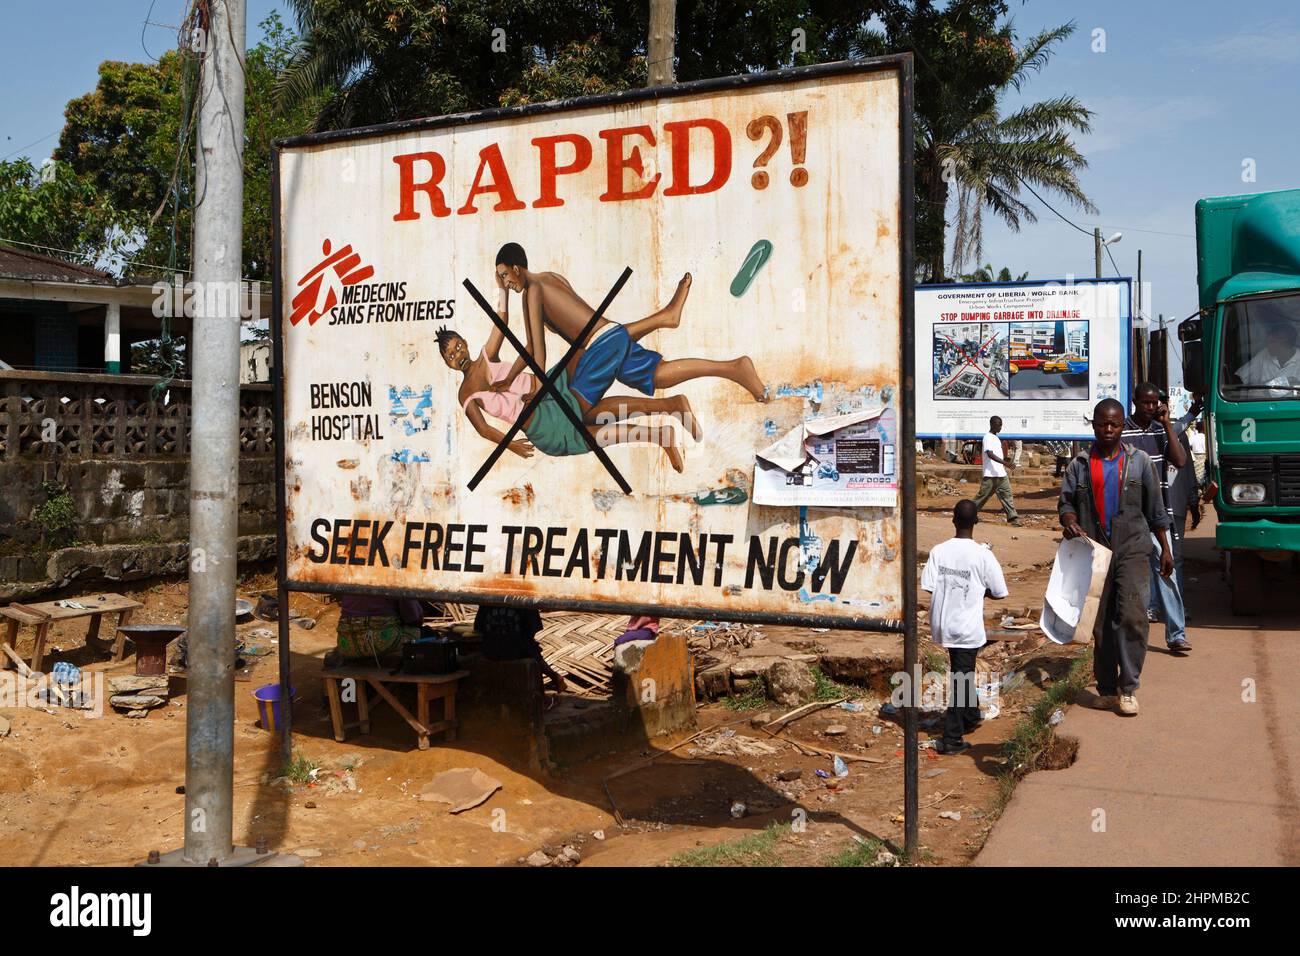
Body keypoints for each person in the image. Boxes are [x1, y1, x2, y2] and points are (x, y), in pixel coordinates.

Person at [491, 242, 767, 410]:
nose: (505, 283)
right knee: (659, 376)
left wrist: (537, 390)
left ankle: (666, 320)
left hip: (600, 345)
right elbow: (533, 344)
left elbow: (537, 352)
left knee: (579, 410)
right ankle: (733, 368)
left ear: (517, 267)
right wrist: (510, 378)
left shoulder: (532, 292)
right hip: (609, 336)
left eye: (505, 275)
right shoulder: (551, 278)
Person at [1060, 399, 1175, 716]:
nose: (1108, 430)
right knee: (1100, 623)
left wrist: (1165, 548)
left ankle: (1129, 688)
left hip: (1134, 549)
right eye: (1102, 424)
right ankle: (1107, 689)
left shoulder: (1139, 462)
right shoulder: (1079, 465)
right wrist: (1069, 521)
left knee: (1133, 616)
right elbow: (1066, 503)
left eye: (1114, 424)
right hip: (1095, 552)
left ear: (1123, 425)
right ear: (1093, 424)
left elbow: (1156, 510)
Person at [921, 499, 1008, 755]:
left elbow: (929, 585)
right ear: (976, 522)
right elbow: (1000, 592)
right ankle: (952, 738)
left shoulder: (939, 551)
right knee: (961, 677)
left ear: (953, 521)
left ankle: (970, 716)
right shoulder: (983, 555)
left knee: (961, 671)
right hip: (966, 627)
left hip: (943, 623)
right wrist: (981, 592)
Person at [1122, 384, 1191, 653]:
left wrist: (1166, 425)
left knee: (1167, 571)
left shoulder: (1160, 430)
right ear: (1135, 402)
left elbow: (1181, 461)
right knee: (1129, 576)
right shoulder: (1123, 429)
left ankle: (1176, 634)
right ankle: (1129, 635)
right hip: (1127, 514)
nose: (1150, 408)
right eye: (1146, 403)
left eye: (1155, 403)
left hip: (1156, 514)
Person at [474, 603, 567, 694]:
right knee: (530, 648)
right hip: (515, 650)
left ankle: (554, 677)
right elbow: (532, 630)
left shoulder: (487, 600)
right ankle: (554, 677)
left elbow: (478, 628)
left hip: (495, 650)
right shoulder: (524, 601)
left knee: (526, 646)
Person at [334, 593, 425, 665]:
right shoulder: (396, 576)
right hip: (380, 644)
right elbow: (413, 617)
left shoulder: (350, 574)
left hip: (347, 644)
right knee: (421, 633)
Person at [973, 416, 1019, 525]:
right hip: (990, 475)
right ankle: (968, 511)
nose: (1000, 427)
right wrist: (1005, 463)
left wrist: (1005, 462)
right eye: (999, 425)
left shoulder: (996, 438)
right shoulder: (988, 437)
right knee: (982, 497)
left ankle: (1013, 517)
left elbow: (997, 455)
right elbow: (990, 454)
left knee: (1007, 495)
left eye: (1001, 425)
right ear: (992, 424)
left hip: (1000, 474)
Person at [1235, 320, 1300, 386]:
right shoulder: (1264, 354)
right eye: (1267, 341)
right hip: (1260, 396)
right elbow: (1240, 378)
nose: (1267, 345)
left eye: (1272, 342)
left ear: (1286, 343)